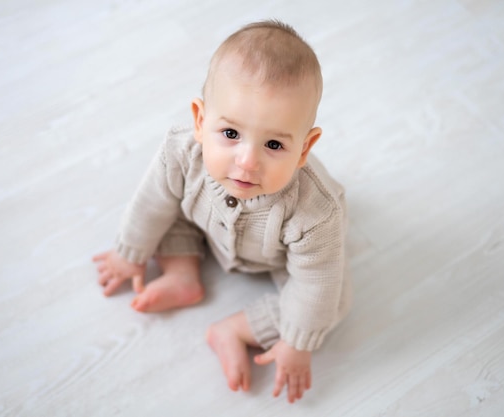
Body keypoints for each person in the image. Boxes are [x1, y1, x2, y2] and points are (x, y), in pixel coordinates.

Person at [93, 20, 351, 403]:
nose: (247, 163)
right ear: (200, 121)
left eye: (275, 145)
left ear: (305, 147)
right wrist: (130, 253)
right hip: (201, 219)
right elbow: (149, 204)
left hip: (278, 259)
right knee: (166, 211)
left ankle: (237, 329)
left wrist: (296, 344)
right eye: (230, 134)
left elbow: (315, 285)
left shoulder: (315, 214)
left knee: (328, 303)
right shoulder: (181, 155)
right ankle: (182, 274)